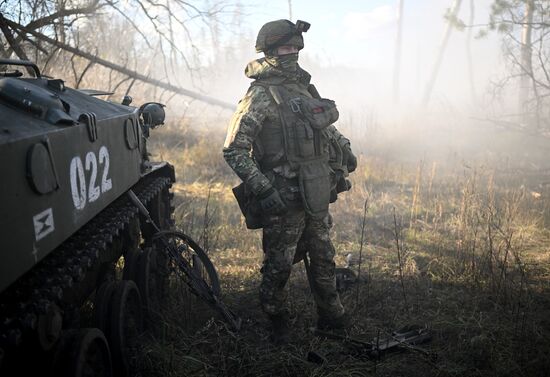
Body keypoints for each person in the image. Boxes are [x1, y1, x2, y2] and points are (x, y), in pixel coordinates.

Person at [223, 19, 357, 343]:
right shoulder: (260, 96)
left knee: (324, 255)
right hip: (283, 198)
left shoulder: (303, 89)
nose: (293, 53)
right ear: (269, 52)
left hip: (314, 191)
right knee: (279, 266)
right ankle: (277, 320)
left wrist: (345, 147)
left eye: (297, 48)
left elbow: (322, 126)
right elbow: (234, 149)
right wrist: (263, 189)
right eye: (286, 48)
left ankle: (332, 317)